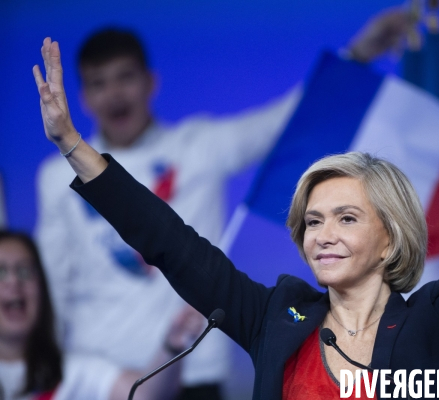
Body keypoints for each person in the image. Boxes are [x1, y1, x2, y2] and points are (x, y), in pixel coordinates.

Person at [33, 37, 439, 399]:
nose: (322, 236)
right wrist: (74, 146)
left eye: (346, 219)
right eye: (312, 222)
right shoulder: (274, 318)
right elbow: (169, 241)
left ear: (390, 238)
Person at [34, 13, 412, 399]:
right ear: (83, 97)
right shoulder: (56, 175)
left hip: (194, 370)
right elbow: (51, 282)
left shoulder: (198, 146)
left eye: (125, 77)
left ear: (151, 82)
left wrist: (360, 53)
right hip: (102, 379)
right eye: (99, 83)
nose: (114, 93)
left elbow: (283, 120)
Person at [0, 230, 206, 400]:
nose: (13, 283)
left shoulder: (73, 373)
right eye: (1, 272)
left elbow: (145, 395)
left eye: (24, 271)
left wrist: (172, 345)